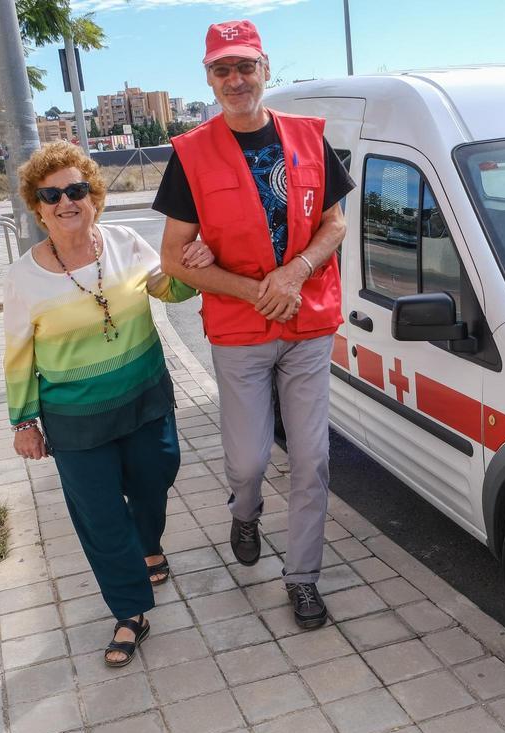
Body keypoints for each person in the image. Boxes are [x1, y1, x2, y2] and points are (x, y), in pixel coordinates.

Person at [154, 18, 354, 629]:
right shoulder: (190, 154)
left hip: (306, 323)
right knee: (246, 460)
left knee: (313, 459)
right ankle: (244, 511)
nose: (236, 79)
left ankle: (302, 579)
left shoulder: (309, 138)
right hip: (240, 332)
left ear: (266, 68)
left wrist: (292, 276)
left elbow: (336, 224)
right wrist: (254, 290)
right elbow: (171, 259)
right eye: (223, 69)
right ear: (209, 78)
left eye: (246, 67)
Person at [4, 142, 209, 666]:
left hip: (143, 397)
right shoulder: (23, 278)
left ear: (94, 196)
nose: (65, 202)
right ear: (38, 207)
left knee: (157, 473)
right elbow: (18, 356)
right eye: (52, 195)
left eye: (76, 190)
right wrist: (24, 420)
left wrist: (194, 266)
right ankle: (128, 611)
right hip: (74, 419)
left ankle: (149, 542)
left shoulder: (125, 243)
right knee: (98, 515)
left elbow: (169, 290)